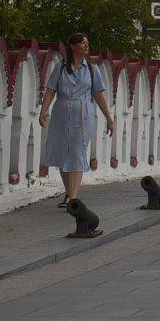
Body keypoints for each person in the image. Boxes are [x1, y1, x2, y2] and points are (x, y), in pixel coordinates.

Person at [38, 33, 114, 207]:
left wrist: (109, 118)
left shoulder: (92, 69)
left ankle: (73, 197)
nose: (86, 45)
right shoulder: (60, 68)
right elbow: (51, 90)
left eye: (87, 42)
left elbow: (98, 94)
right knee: (62, 152)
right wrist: (43, 110)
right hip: (61, 114)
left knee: (78, 151)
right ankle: (69, 193)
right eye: (82, 43)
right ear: (72, 46)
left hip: (83, 115)